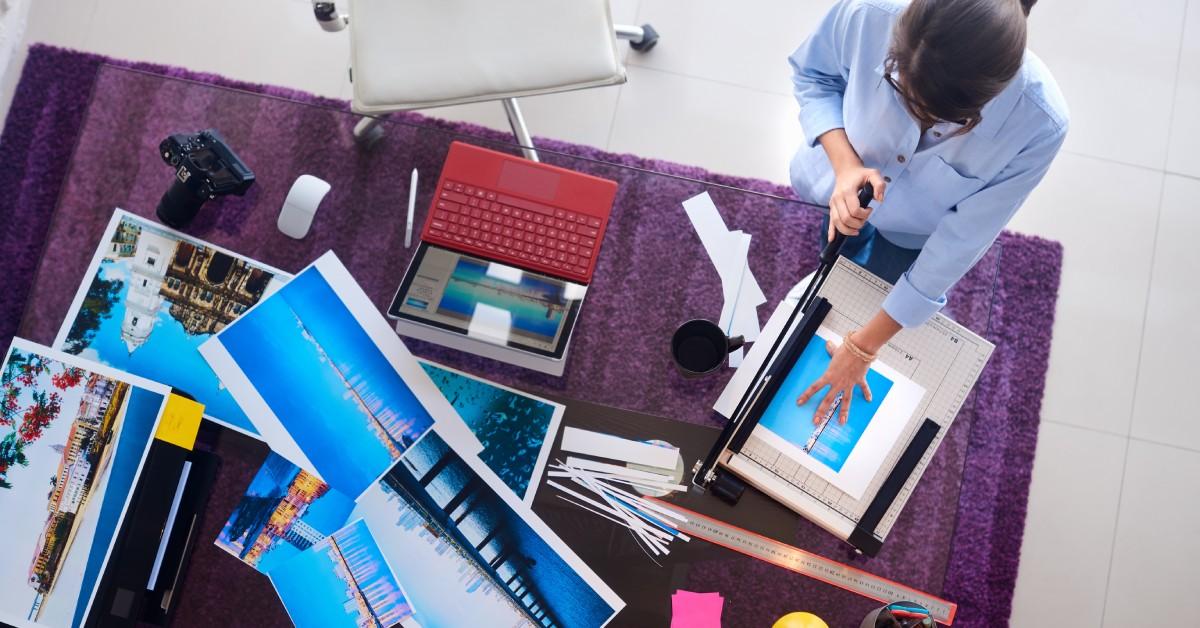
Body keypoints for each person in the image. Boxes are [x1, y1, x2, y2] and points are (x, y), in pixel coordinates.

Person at [788, 0, 1067, 423]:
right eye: (900, 89)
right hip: (829, 180)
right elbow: (814, 76)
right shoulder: (869, 12)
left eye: (945, 121)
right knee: (828, 251)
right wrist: (845, 165)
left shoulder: (1039, 124)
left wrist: (863, 348)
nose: (918, 117)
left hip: (913, 236)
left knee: (879, 304)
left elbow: (962, 240)